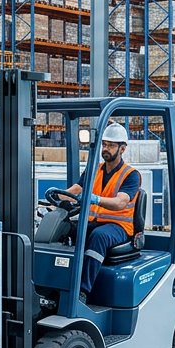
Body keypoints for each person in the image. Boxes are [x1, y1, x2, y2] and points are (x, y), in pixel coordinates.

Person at [50, 121, 139, 304]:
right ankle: (55, 284)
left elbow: (121, 202)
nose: (105, 148)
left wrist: (94, 199)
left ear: (122, 148)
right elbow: (76, 189)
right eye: (104, 144)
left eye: (111, 145)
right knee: (63, 229)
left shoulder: (131, 175)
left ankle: (82, 292)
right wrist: (54, 201)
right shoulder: (94, 169)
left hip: (119, 227)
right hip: (94, 220)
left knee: (98, 236)